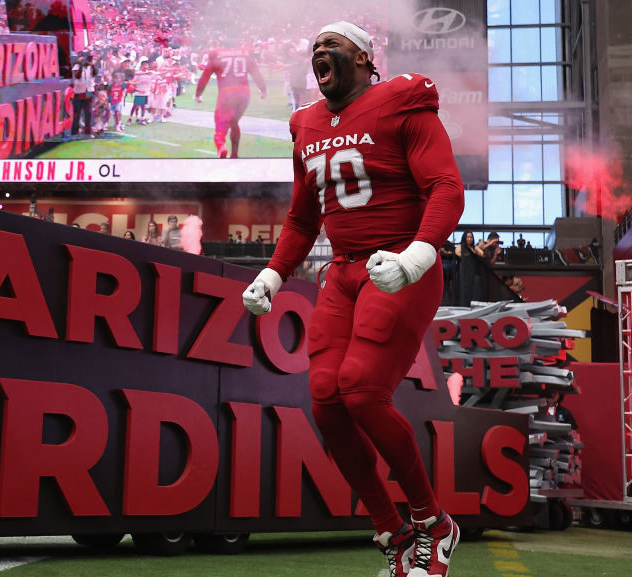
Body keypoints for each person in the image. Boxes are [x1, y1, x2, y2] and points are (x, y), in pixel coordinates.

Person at [241, 22, 464, 577]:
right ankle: (392, 528)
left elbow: (445, 186)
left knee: (362, 389)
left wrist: (417, 255)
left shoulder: (402, 100)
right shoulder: (306, 123)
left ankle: (434, 522)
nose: (319, 52)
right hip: (342, 272)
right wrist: (272, 274)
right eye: (315, 47)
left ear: (364, 57)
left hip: (398, 264)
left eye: (332, 45)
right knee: (325, 399)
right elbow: (302, 218)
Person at [194, 41, 267, 158]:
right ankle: (234, 154)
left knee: (221, 122)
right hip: (244, 92)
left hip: (227, 92)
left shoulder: (216, 55)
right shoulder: (245, 54)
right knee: (234, 122)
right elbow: (256, 74)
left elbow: (205, 77)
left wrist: (198, 94)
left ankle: (221, 145)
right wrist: (263, 90)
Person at [70, 52, 96, 138]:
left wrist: (92, 64)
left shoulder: (91, 67)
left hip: (89, 92)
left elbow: (95, 73)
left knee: (88, 113)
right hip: (79, 92)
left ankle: (88, 132)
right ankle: (74, 132)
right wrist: (81, 65)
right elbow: (77, 76)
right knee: (77, 113)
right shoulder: (76, 66)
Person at [455, 232, 482, 306]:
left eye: (471, 237)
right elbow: (458, 253)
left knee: (474, 288)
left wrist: (478, 248)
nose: (469, 239)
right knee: (464, 288)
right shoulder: (460, 246)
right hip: (464, 269)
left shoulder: (474, 247)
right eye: (468, 237)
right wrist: (467, 255)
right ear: (464, 238)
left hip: (473, 269)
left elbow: (481, 253)